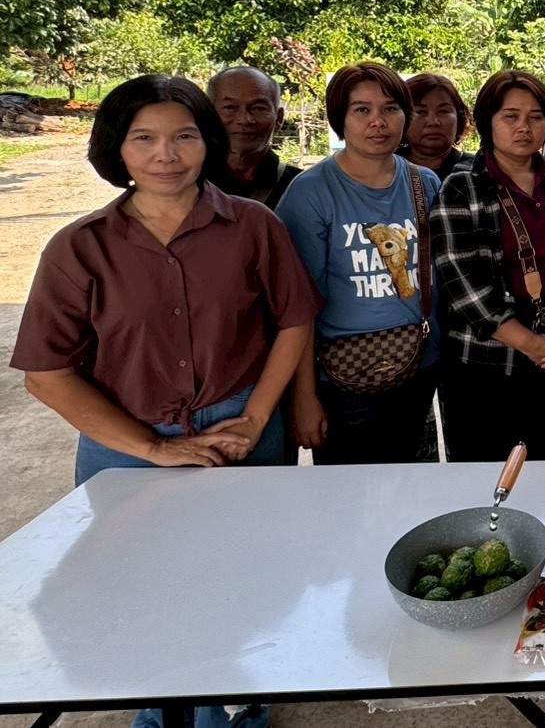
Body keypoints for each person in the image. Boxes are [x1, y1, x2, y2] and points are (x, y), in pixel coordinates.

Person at [11, 74, 321, 728]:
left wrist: (257, 418)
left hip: (240, 429)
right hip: (125, 445)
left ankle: (237, 706)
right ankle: (162, 712)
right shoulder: (81, 247)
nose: (165, 155)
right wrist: (154, 448)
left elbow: (294, 320)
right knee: (141, 591)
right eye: (143, 138)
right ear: (115, 148)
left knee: (243, 577)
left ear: (207, 142)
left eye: (184, 137)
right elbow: (46, 373)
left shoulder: (253, 227)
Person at [276, 62, 442, 464]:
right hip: (343, 375)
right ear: (340, 119)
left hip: (418, 365)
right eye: (361, 110)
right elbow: (297, 307)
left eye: (390, 109)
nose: (378, 122)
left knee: (413, 481)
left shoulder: (424, 183)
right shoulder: (310, 193)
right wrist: (304, 395)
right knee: (349, 490)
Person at [430, 70, 545, 462]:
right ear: (487, 121)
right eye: (511, 116)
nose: (524, 127)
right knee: (482, 475)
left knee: (542, 463)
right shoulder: (462, 186)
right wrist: (531, 344)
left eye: (536, 117)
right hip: (486, 362)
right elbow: (461, 280)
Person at [206, 65, 302, 209]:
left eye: (259, 108)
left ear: (279, 118)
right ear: (208, 114)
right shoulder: (188, 184)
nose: (244, 119)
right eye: (230, 107)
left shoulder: (301, 188)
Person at [401, 72, 472, 179]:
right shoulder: (384, 166)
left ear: (459, 117)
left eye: (443, 111)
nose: (433, 122)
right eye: (420, 112)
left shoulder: (476, 170)